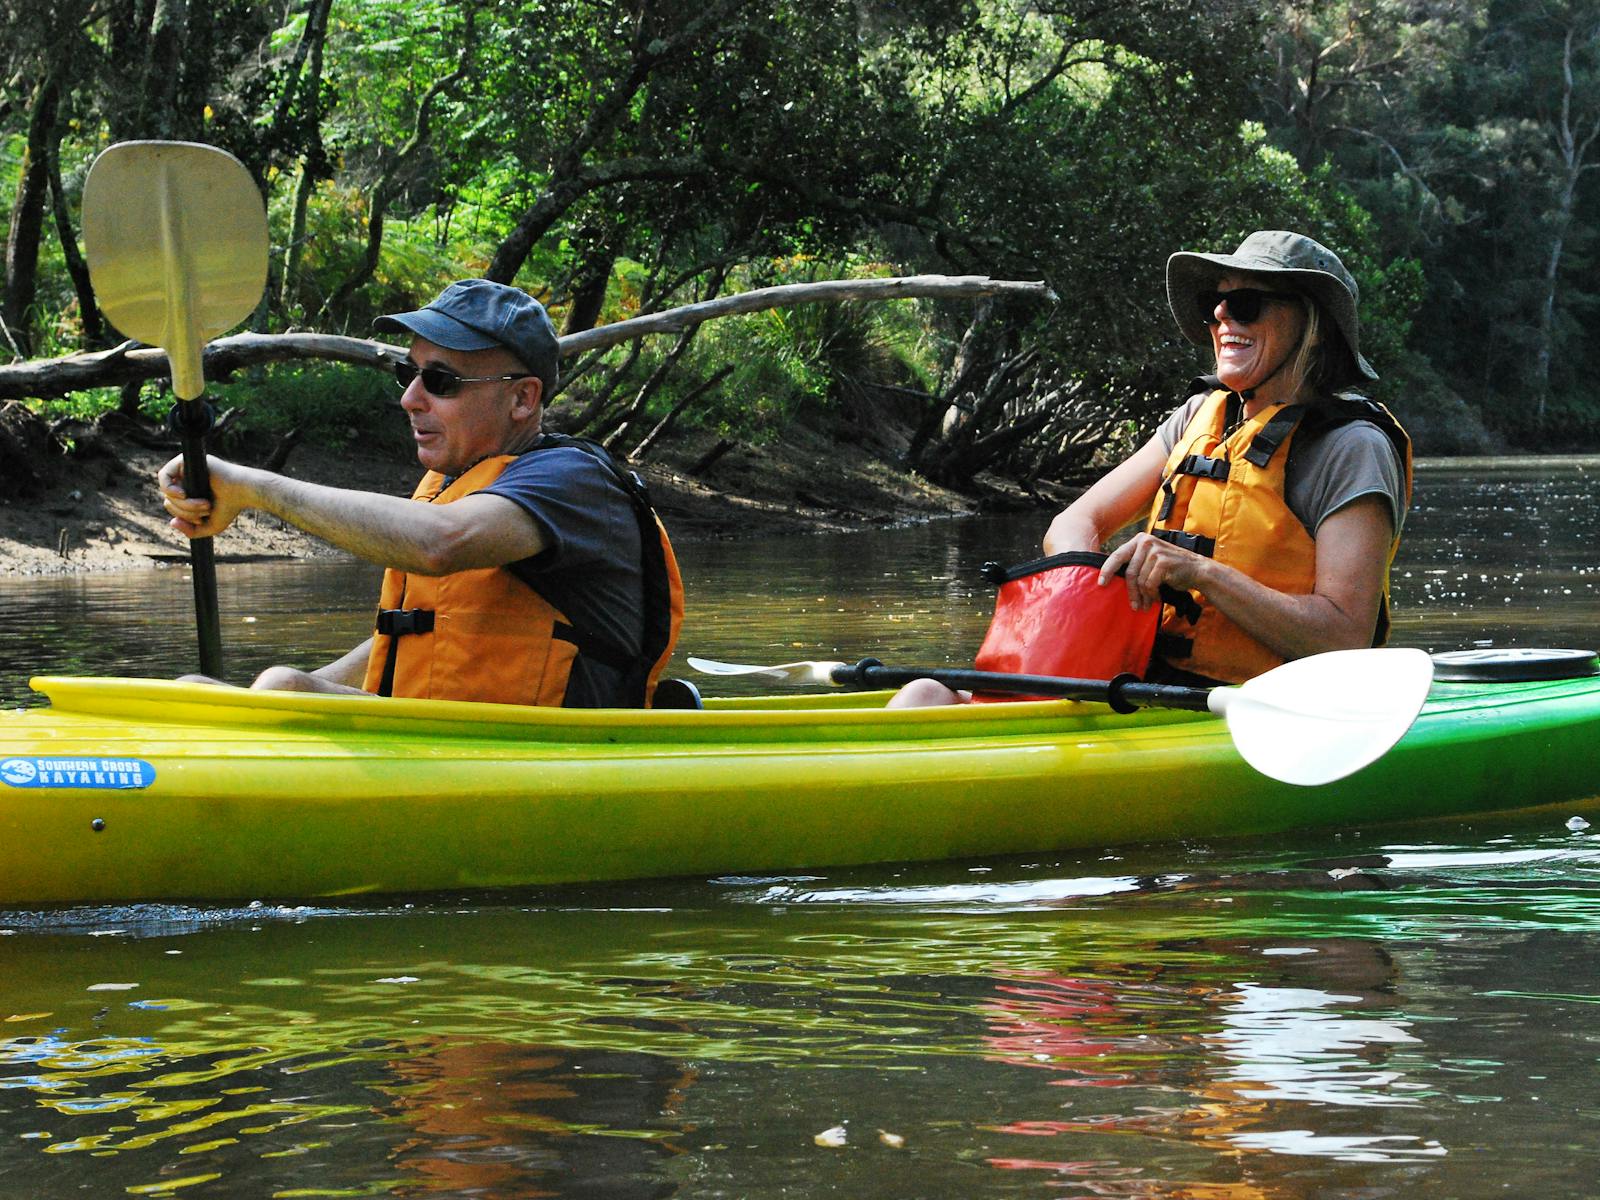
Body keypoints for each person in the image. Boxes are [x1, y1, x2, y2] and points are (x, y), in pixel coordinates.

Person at [891, 230, 1410, 707]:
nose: (1222, 317)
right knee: (923, 693)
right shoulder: (1199, 416)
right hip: (1140, 684)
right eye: (1215, 305)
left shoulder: (1351, 448)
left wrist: (1201, 573)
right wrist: (1102, 589)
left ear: (1312, 325)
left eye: (1246, 305)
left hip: (1258, 709)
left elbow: (1344, 636)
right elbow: (1073, 524)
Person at [158, 278, 683, 708]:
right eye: (408, 373)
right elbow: (415, 635)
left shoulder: (573, 481)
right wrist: (270, 697)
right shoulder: (453, 483)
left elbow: (439, 543)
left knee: (282, 686)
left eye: (441, 381)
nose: (410, 398)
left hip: (544, 754)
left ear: (523, 399)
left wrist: (252, 488)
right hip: (447, 739)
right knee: (198, 692)